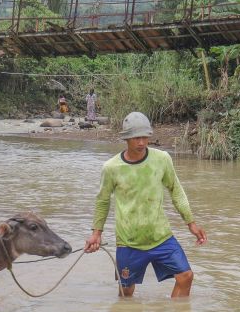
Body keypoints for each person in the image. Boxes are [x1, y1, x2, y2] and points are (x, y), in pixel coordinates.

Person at [84, 112, 207, 298]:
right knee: (126, 292)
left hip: (161, 237)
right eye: (136, 138)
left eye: (144, 137)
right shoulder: (111, 168)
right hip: (129, 242)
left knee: (186, 276)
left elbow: (176, 190)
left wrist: (191, 223)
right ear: (126, 138)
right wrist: (96, 234)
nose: (141, 142)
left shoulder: (162, 159)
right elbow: (102, 200)